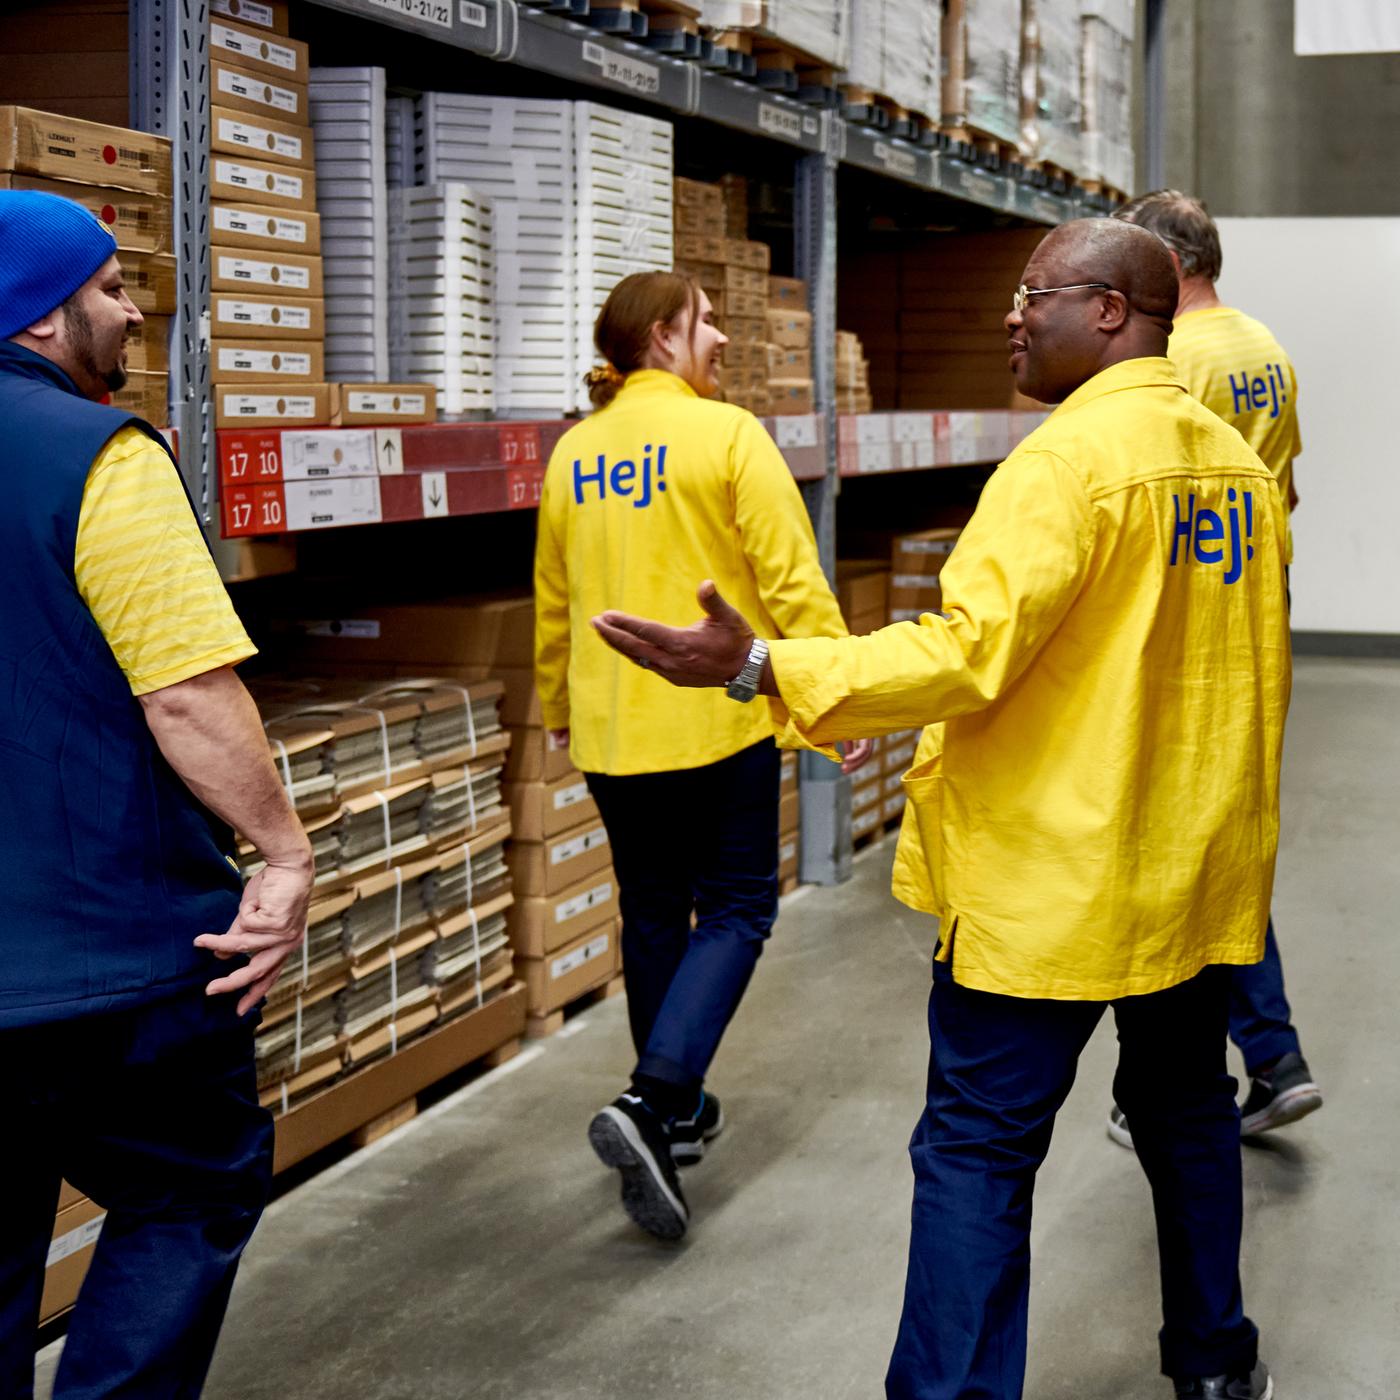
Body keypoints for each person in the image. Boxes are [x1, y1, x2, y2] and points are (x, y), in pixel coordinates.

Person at [592, 220, 1287, 1399]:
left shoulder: (1061, 466)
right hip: (1187, 870)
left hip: (1047, 888)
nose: (1010, 313)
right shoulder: (1232, 465)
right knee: (1187, 1115)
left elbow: (963, 655)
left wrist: (763, 667)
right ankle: (1215, 1364)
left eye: (1035, 294)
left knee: (974, 1149)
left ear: (1112, 310)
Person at [0, 191, 312, 1396]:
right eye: (112, 288)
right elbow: (186, 692)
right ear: (42, 312)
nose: (133, 311)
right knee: (190, 1184)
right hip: (112, 956)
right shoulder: (103, 454)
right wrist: (281, 851)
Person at [533, 271, 869, 1242]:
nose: (720, 335)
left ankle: (671, 1113)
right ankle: (653, 1096)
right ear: (663, 336)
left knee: (649, 908)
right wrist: (829, 696)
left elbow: (554, 597)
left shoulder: (573, 453)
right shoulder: (726, 436)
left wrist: (557, 701)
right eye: (705, 320)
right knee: (734, 904)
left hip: (608, 725)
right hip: (714, 717)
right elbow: (792, 581)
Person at [1109, 188, 1321, 1146]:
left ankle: (1221, 1066)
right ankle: (1260, 1057)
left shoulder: (1175, 358)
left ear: (1162, 259)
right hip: (1255, 604)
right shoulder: (1262, 345)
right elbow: (1287, 488)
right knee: (1219, 834)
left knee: (1186, 845)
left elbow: (1155, 489)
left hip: (1189, 627)